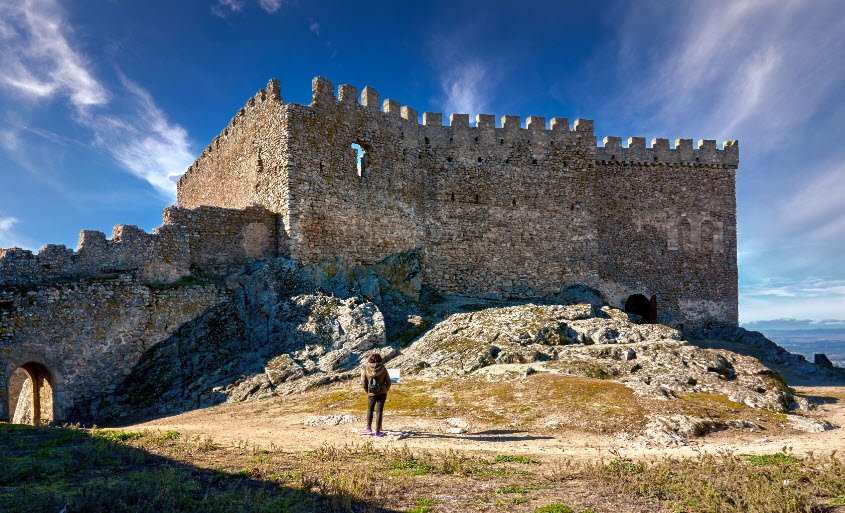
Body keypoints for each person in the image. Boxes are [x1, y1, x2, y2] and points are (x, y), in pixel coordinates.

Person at [361, 352, 391, 437]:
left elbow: (363, 382)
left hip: (371, 393)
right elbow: (388, 381)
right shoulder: (383, 368)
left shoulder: (366, 368)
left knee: (370, 410)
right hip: (382, 393)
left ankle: (368, 428)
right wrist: (385, 390)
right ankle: (377, 431)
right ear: (380, 359)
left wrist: (368, 391)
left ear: (370, 359)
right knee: (379, 411)